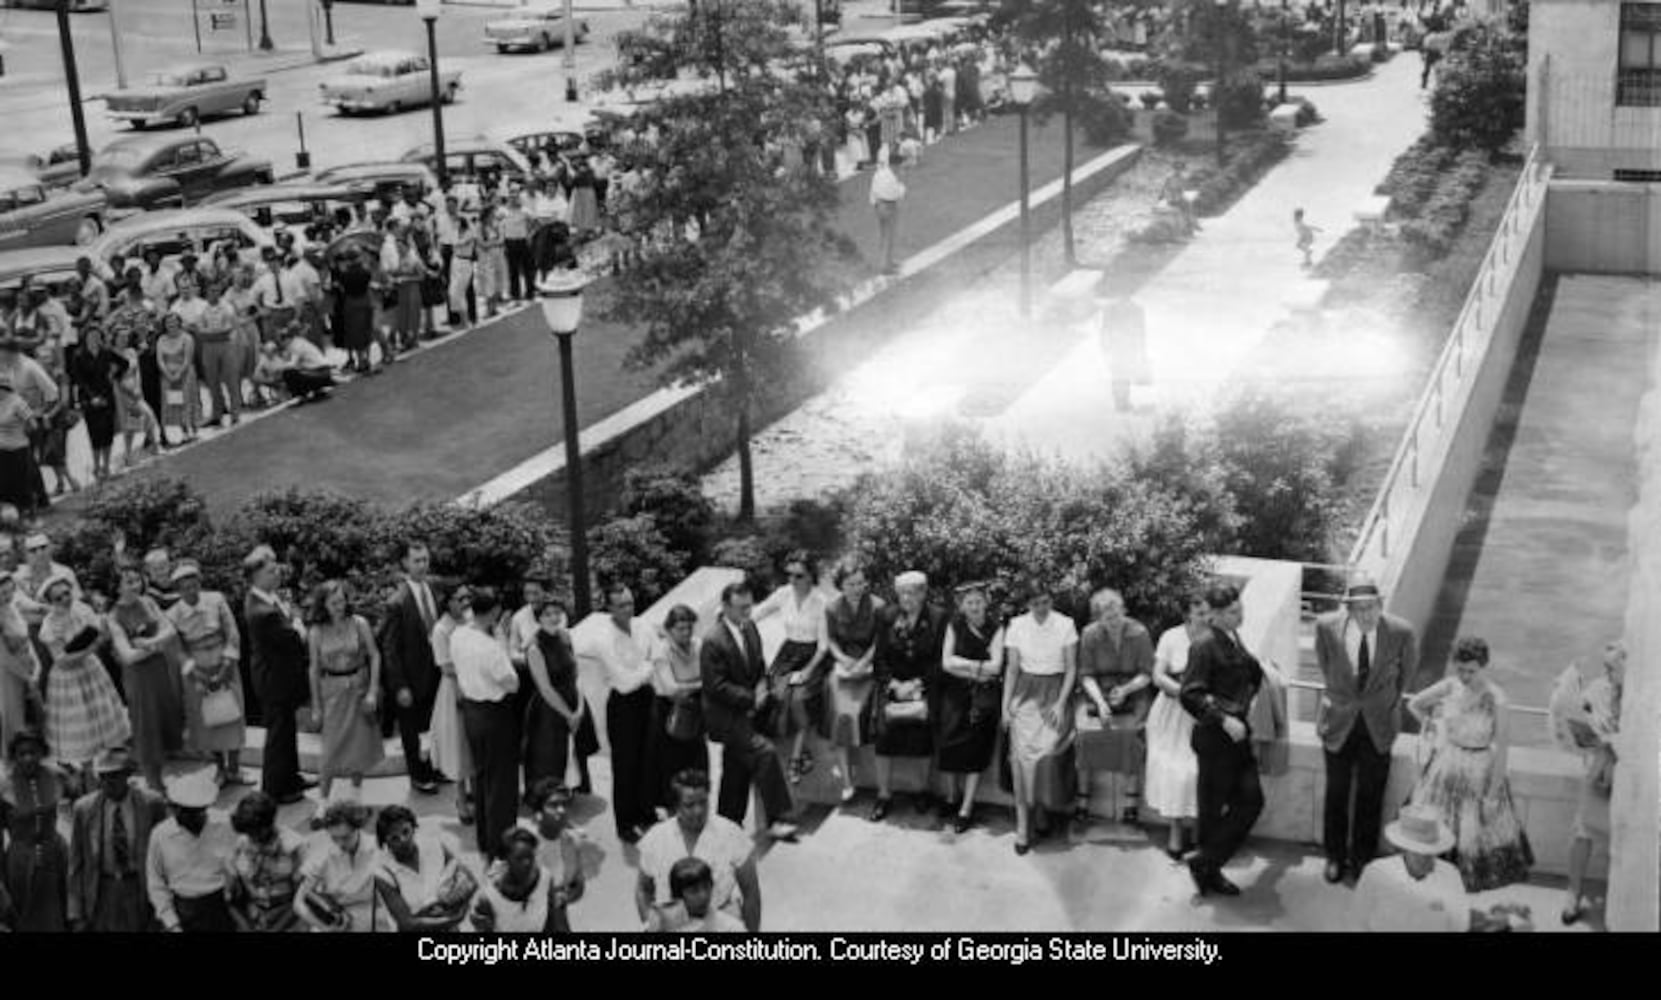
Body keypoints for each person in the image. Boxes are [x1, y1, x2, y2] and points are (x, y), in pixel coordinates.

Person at [1406, 636, 1533, 892]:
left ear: (1483, 666)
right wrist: (1432, 724)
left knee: (1471, 840)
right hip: (1447, 766)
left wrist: (1492, 796)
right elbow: (1414, 704)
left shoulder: (1497, 698)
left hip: (1480, 772)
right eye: (1460, 669)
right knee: (1436, 832)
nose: (1464, 676)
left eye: (1471, 671)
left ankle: (1456, 897)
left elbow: (1503, 750)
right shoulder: (1449, 686)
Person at [1314, 579, 1419, 884]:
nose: (1366, 615)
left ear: (1380, 604)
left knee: (1371, 796)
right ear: (1348, 609)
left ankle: (1362, 859)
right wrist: (1343, 696)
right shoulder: (1325, 626)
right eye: (1359, 609)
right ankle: (1334, 857)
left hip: (1379, 725)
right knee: (1336, 793)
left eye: (1371, 607)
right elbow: (1325, 665)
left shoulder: (1401, 632)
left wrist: (1383, 702)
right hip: (1338, 723)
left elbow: (1406, 675)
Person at [1179, 583, 1266, 897]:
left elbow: (1249, 671)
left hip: (1238, 737)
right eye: (1232, 612)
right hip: (1216, 739)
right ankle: (1209, 871)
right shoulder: (1203, 645)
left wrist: (1260, 679)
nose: (1240, 614)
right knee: (1212, 810)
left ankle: (1205, 861)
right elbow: (1189, 694)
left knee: (1252, 801)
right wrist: (1224, 719)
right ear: (1214, 615)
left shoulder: (1233, 637)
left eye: (1240, 608)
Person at [701, 581, 800, 840]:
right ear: (725, 607)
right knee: (764, 753)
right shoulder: (713, 640)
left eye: (749, 606)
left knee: (736, 768)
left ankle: (726, 824)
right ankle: (778, 819)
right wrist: (750, 699)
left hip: (749, 711)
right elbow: (715, 686)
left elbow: (758, 664)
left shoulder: (750, 627)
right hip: (727, 718)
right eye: (741, 607)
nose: (747, 611)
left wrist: (762, 687)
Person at [575, 583, 658, 843]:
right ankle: (626, 823)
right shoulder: (603, 638)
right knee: (625, 766)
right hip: (622, 706)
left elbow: (659, 652)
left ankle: (647, 813)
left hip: (647, 699)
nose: (628, 609)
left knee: (648, 759)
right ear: (609, 608)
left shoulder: (643, 626)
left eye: (630, 603)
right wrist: (647, 667)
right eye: (621, 605)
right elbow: (623, 682)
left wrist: (643, 669)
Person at [1551, 641, 1625, 926]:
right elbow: (1579, 711)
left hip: (1628, 781)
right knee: (1582, 832)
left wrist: (1615, 743)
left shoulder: (1647, 696)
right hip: (1597, 773)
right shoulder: (1599, 688)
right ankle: (1573, 892)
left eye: (1612, 669)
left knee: (1623, 841)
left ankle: (1619, 899)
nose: (1605, 673)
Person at [1002, 581, 1079, 854]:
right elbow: (1011, 669)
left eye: (1045, 602)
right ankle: (1023, 826)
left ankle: (1043, 810)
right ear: (1028, 605)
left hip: (1056, 691)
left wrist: (1060, 704)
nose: (1041, 608)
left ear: (1051, 600)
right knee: (1022, 758)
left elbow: (1071, 668)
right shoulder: (1016, 625)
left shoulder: (1066, 624)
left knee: (1047, 753)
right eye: (1035, 603)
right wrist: (1005, 705)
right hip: (1026, 692)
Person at [636, 769, 761, 931]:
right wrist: (652, 925)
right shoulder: (656, 839)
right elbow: (643, 890)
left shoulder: (732, 834)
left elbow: (751, 893)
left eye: (703, 802)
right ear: (676, 806)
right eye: (689, 805)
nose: (698, 810)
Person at [38, 572, 131, 783]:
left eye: (66, 593)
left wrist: (101, 634)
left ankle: (112, 769)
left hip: (91, 670)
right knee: (81, 725)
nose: (65, 599)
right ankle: (87, 776)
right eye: (57, 598)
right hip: (68, 679)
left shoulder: (82, 609)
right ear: (49, 602)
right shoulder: (50, 624)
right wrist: (92, 648)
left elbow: (98, 631)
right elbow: (61, 659)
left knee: (102, 718)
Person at [1075, 588, 1156, 827]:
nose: (1113, 622)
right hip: (1099, 693)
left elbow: (1147, 673)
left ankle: (1130, 802)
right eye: (1107, 618)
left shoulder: (1140, 632)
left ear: (1123, 610)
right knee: (1085, 736)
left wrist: (1126, 690)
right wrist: (1100, 702)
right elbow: (1086, 674)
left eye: (1116, 615)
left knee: (1131, 735)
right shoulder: (1089, 634)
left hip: (1134, 692)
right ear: (1098, 617)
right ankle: (1082, 800)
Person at [450, 588, 521, 860]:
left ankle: (485, 839)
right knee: (502, 783)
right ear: (493, 613)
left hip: (472, 711)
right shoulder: (490, 647)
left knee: (482, 778)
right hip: (495, 714)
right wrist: (501, 639)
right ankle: (500, 847)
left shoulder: (459, 634)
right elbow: (511, 683)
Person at [68, 746, 168, 932]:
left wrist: (163, 908)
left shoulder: (151, 804)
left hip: (138, 887)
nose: (108, 782)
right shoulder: (84, 808)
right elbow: (76, 863)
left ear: (127, 775)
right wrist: (76, 913)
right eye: (103, 776)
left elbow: (164, 856)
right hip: (102, 890)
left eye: (114, 775)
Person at [104, 563, 185, 792]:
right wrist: (157, 647)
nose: (135, 585)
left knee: (163, 721)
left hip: (159, 671)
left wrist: (150, 643)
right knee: (146, 727)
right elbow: (127, 656)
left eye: (137, 580)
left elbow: (170, 629)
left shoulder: (148, 602)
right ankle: (153, 783)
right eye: (128, 582)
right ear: (117, 587)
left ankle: (161, 779)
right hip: (138, 678)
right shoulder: (113, 617)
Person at [244, 545, 314, 806]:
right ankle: (274, 789)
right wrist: (296, 621)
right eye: (271, 571)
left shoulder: (265, 598)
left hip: (280, 677)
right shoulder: (263, 612)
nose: (277, 575)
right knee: (277, 736)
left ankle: (291, 778)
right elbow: (295, 638)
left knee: (287, 731)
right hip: (274, 681)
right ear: (256, 576)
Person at [752, 551, 830, 783]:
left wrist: (807, 671)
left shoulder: (821, 602)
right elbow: (757, 613)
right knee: (771, 695)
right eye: (789, 575)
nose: (793, 581)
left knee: (798, 699)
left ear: (810, 576)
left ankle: (796, 759)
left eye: (799, 575)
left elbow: (824, 646)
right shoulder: (783, 594)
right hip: (788, 654)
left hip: (813, 655)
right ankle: (774, 756)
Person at [167, 561, 246, 786]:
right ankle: (219, 768)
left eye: (194, 585)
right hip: (197, 669)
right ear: (178, 590)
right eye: (185, 588)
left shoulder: (216, 600)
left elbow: (232, 632)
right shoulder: (172, 615)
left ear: (200, 584)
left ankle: (235, 768)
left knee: (233, 715)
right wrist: (196, 674)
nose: (191, 591)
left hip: (224, 663)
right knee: (207, 721)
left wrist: (227, 665)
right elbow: (177, 649)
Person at [306, 580, 384, 809]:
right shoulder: (316, 631)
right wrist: (316, 706)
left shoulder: (359, 623)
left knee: (358, 746)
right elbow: (313, 669)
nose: (339, 606)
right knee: (329, 750)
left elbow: (375, 656)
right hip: (332, 691)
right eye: (333, 602)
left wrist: (372, 691)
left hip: (358, 688)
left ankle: (356, 796)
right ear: (323, 605)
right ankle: (323, 803)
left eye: (342, 601)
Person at [1144, 591, 1209, 859]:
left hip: (1202, 714)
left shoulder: (1216, 639)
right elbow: (1157, 676)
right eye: (1200, 613)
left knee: (1197, 771)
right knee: (1174, 771)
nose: (1205, 618)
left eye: (1208, 613)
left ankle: (1198, 831)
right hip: (1172, 713)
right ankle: (1175, 831)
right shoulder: (1171, 637)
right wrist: (1184, 694)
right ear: (1188, 615)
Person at [936, 582, 1005, 833]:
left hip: (983, 699)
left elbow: (996, 667)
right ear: (962, 606)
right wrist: (978, 668)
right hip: (955, 696)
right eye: (969, 602)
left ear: (986, 603)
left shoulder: (996, 629)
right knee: (950, 745)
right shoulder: (954, 625)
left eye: (978, 601)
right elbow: (946, 662)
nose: (975, 606)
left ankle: (966, 807)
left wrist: (963, 666)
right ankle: (952, 796)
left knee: (975, 751)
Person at [380, 540, 444, 795]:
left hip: (435, 674)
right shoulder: (397, 602)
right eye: (417, 560)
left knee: (436, 726)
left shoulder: (433, 591)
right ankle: (418, 776)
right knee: (411, 732)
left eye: (425, 559)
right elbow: (390, 650)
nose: (422, 565)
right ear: (405, 563)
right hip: (410, 678)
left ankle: (436, 767)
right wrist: (400, 686)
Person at [1349, 804, 1468, 932]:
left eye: (1431, 853)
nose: (1426, 859)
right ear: (1405, 850)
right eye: (1419, 853)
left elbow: (1460, 924)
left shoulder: (1451, 876)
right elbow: (1357, 922)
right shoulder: (1376, 873)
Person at [523, 599, 598, 801]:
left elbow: (577, 673)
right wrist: (568, 714)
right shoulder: (534, 648)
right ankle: (549, 796)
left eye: (557, 612)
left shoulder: (565, 637)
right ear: (538, 618)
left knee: (573, 749)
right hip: (549, 707)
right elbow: (545, 687)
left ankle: (570, 787)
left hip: (573, 698)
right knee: (550, 755)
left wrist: (580, 707)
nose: (554, 618)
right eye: (547, 614)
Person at [147, 769, 234, 932]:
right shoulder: (161, 834)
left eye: (193, 813)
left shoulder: (225, 824)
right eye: (178, 810)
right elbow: (156, 882)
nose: (184, 817)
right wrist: (171, 922)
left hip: (222, 907)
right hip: (184, 910)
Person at [824, 559, 882, 803]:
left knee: (860, 714)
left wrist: (865, 661)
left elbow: (880, 640)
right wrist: (843, 659)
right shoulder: (832, 608)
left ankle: (862, 774)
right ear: (841, 586)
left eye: (860, 583)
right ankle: (847, 782)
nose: (857, 588)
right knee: (840, 715)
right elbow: (830, 640)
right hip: (845, 666)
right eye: (851, 584)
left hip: (870, 665)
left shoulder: (878, 606)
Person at [0, 729, 70, 931]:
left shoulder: (57, 777)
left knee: (58, 910)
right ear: (14, 757)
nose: (28, 758)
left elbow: (76, 800)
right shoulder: (4, 787)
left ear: (42, 752)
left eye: (33, 752)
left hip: (54, 854)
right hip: (20, 860)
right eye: (22, 754)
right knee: (24, 913)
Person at [646, 604, 709, 813]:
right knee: (672, 767)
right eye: (680, 628)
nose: (685, 633)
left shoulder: (698, 645)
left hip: (695, 713)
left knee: (698, 764)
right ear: (669, 629)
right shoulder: (662, 650)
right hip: (670, 714)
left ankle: (697, 808)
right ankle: (675, 811)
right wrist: (699, 684)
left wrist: (691, 686)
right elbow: (671, 688)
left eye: (689, 627)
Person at [373, 804, 473, 933]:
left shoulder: (434, 846)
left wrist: (459, 900)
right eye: (394, 838)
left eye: (405, 831)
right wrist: (454, 919)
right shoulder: (383, 873)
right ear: (385, 843)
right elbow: (407, 924)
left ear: (413, 828)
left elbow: (470, 880)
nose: (403, 840)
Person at [225, 791, 309, 932]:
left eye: (255, 832)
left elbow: (303, 898)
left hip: (288, 920)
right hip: (253, 918)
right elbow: (231, 898)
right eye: (248, 832)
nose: (251, 838)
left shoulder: (294, 847)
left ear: (268, 824)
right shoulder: (242, 844)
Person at [294, 800, 380, 933]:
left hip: (370, 912)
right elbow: (299, 903)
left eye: (346, 837)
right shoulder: (321, 855)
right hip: (334, 913)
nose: (340, 844)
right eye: (334, 838)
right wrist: (325, 928)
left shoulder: (378, 848)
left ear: (357, 829)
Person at [429, 584, 474, 824]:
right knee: (459, 745)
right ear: (448, 602)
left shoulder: (470, 620)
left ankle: (476, 793)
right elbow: (446, 665)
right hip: (455, 687)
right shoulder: (441, 629)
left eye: (468, 597)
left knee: (474, 743)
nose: (466, 602)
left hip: (475, 686)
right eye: (460, 598)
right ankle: (461, 800)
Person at [471, 828, 564, 933]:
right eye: (519, 858)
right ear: (506, 858)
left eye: (530, 857)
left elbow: (552, 921)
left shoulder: (545, 879)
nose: (527, 863)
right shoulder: (489, 898)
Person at [68, 324, 128, 481]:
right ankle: (96, 466)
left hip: (107, 396)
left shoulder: (106, 352)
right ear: (85, 337)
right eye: (91, 335)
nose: (94, 338)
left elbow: (124, 363)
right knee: (95, 433)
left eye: (97, 335)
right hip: (89, 399)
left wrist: (114, 375)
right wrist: (92, 397)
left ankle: (106, 466)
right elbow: (79, 380)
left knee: (108, 432)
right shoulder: (78, 355)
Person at [644, 857, 747, 933]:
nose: (704, 896)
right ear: (678, 895)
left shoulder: (732, 928)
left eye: (707, 887)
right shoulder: (660, 927)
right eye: (694, 891)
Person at [0, 576, 40, 752]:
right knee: (13, 717)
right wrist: (26, 676)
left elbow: (26, 640)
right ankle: (12, 761)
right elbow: (3, 657)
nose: (7, 596)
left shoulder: (12, 608)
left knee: (33, 714)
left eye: (10, 591)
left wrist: (37, 666)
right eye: (2, 593)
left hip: (28, 667)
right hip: (9, 673)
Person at [1098, 295, 1151, 412]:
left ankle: (1120, 403)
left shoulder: (1110, 309)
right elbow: (1141, 332)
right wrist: (1142, 351)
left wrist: (1104, 346)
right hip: (1127, 346)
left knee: (1118, 374)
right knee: (1122, 374)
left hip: (1116, 346)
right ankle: (1122, 402)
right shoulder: (1137, 309)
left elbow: (1104, 330)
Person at [869, 151, 907, 275]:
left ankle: (888, 262)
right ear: (895, 165)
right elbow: (896, 194)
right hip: (888, 206)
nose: (902, 167)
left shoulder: (880, 173)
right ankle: (886, 267)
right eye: (901, 165)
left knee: (885, 236)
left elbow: (872, 191)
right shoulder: (891, 177)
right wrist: (902, 187)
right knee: (888, 237)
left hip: (879, 205)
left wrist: (875, 203)